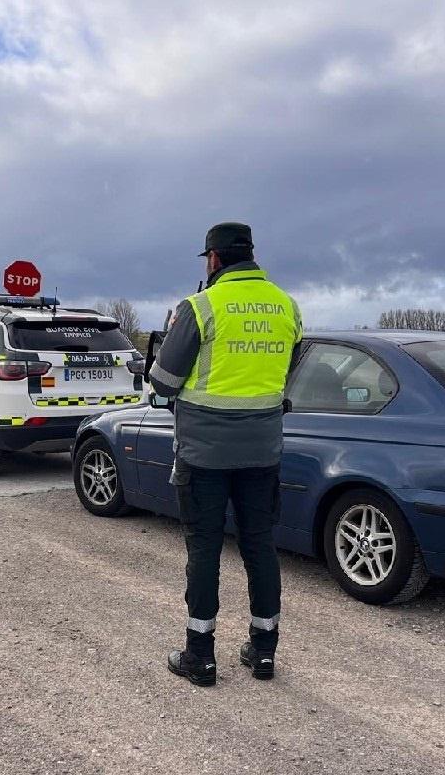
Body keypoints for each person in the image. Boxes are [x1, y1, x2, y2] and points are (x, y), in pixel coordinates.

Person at [149, 222, 302, 686]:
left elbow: (163, 382)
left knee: (205, 549)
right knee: (259, 545)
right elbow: (284, 373)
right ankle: (263, 652)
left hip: (204, 454)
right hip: (262, 451)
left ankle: (201, 656)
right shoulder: (287, 306)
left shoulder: (200, 307)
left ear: (213, 259)